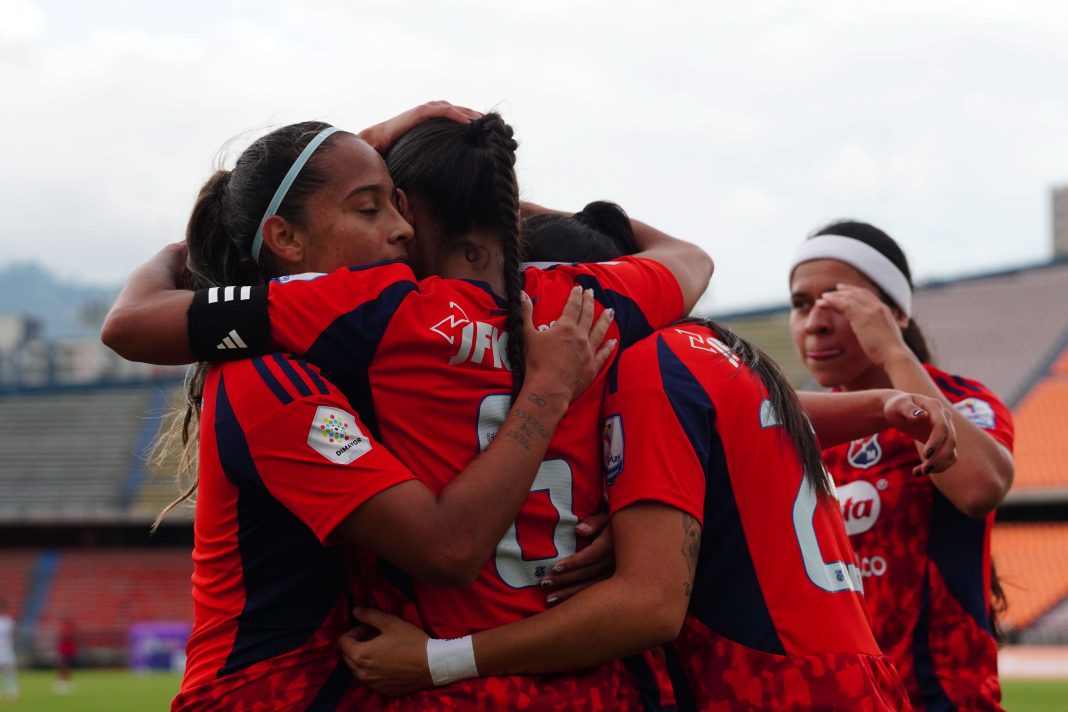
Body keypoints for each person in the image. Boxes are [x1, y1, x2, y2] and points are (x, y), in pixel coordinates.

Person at [102, 107, 714, 709]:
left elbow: (131, 323)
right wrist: (484, 198)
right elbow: (691, 259)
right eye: (371, 209)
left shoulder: (372, 308)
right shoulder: (579, 300)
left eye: (401, 205)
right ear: (283, 237)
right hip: (289, 690)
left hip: (417, 684)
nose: (398, 228)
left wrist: (175, 251)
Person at [338, 204, 963, 711]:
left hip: (766, 687)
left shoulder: (647, 370)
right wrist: (884, 403)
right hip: (853, 677)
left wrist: (437, 661)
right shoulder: (711, 349)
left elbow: (648, 605)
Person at [787, 220, 1015, 710]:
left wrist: (892, 352)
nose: (815, 321)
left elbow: (980, 487)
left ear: (894, 313)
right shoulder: (802, 426)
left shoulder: (961, 401)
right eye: (801, 303)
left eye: (839, 299)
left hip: (941, 699)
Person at [0, 598, 18, 702]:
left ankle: (12, 691)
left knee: (10, 671)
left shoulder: (9, 621)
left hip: (7, 648)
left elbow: (12, 635)